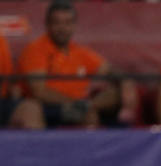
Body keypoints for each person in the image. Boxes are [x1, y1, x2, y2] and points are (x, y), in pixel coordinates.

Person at [9, 1, 124, 129]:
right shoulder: (35, 49)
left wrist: (127, 82)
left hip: (82, 105)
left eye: (67, 23)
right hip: (49, 108)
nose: (62, 28)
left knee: (115, 94)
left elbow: (109, 70)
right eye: (57, 22)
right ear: (47, 24)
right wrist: (75, 104)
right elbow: (39, 92)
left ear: (74, 25)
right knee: (86, 115)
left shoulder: (80, 52)